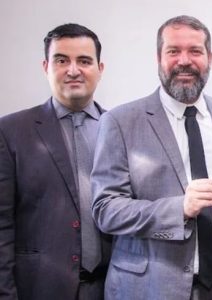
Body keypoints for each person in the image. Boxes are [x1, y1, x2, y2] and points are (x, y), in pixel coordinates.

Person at [91, 15, 212, 300]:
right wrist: (180, 208)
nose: (185, 61)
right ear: (158, 57)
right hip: (152, 288)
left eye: (195, 51)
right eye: (174, 51)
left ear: (210, 58)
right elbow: (106, 210)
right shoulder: (120, 121)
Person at [0, 23, 111, 299]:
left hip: (113, 288)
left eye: (84, 61)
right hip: (39, 289)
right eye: (62, 60)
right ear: (45, 66)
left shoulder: (121, 129)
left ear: (100, 68)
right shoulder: (11, 131)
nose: (73, 70)